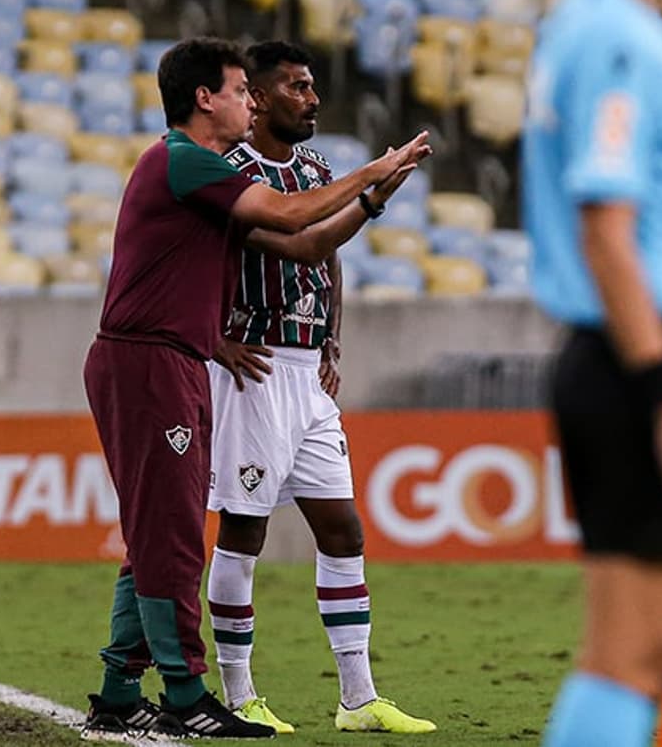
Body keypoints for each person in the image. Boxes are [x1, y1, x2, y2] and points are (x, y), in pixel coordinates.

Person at [79, 36, 431, 741]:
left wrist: (372, 197)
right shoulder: (185, 162)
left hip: (172, 360)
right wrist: (375, 167)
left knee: (157, 533)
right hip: (153, 361)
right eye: (242, 90)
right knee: (178, 535)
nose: (251, 101)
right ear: (206, 98)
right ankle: (186, 694)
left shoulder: (195, 172)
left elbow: (304, 248)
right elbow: (296, 216)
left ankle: (120, 691)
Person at [521, 0, 662, 745]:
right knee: (630, 655)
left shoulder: (599, 31)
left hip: (640, 346)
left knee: (649, 652)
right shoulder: (614, 33)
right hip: (644, 349)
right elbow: (606, 233)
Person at [206, 41, 437, 735]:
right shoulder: (232, 174)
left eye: (313, 85)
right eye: (299, 88)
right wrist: (214, 339)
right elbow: (290, 242)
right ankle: (240, 694)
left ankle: (358, 699)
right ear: (264, 97)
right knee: (243, 532)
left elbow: (325, 257)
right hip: (255, 371)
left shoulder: (313, 167)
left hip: (308, 374)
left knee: (343, 530)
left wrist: (332, 335)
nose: (313, 98)